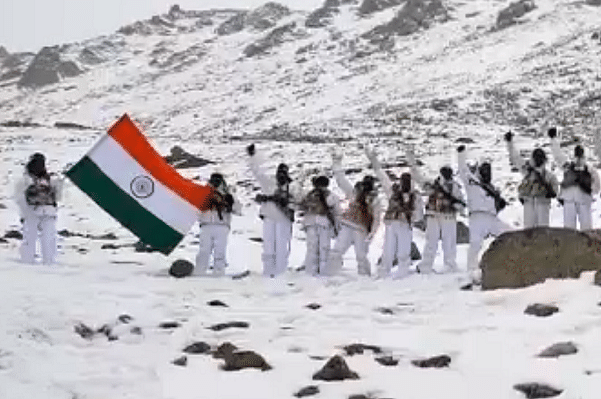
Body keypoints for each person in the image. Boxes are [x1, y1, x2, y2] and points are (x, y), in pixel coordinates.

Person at [366, 148, 424, 279]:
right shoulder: (393, 192)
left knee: (404, 251)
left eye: (407, 181)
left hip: (404, 224)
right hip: (391, 223)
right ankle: (383, 272)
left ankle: (402, 272)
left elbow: (419, 213)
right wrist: (373, 160)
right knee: (388, 250)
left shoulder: (415, 197)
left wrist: (412, 219)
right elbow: (381, 176)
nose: (404, 184)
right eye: (403, 181)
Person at [457, 145, 511, 283]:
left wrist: (500, 204)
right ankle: (470, 274)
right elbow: (463, 170)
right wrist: (462, 154)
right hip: (477, 217)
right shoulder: (472, 182)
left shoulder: (493, 189)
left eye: (489, 170)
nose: (488, 172)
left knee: (509, 233)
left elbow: (497, 207)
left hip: (492, 219)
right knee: (475, 244)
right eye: (485, 170)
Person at [247, 144, 302, 277]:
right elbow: (257, 172)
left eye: (283, 173)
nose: (280, 176)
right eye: (279, 173)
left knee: (281, 247)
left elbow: (298, 202)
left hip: (283, 218)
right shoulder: (269, 183)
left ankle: (280, 272)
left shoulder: (293, 186)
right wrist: (252, 157)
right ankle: (268, 271)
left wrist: (288, 203)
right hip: (269, 217)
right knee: (268, 246)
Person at [407, 146, 465, 274]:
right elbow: (417, 177)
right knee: (431, 242)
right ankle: (426, 266)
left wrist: (457, 207)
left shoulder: (454, 186)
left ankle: (450, 265)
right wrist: (411, 160)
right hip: (433, 215)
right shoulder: (433, 184)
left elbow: (461, 202)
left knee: (449, 242)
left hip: (448, 216)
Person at [327, 151, 382, 276]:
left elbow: (377, 218)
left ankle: (364, 277)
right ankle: (330, 274)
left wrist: (372, 234)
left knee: (361, 255)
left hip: (361, 230)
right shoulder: (354, 193)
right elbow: (341, 180)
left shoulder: (374, 200)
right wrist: (336, 163)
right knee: (337, 251)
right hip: (348, 225)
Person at [14, 153, 64, 265]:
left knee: (48, 238)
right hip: (32, 212)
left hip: (48, 212)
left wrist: (60, 184)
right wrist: (24, 213)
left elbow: (58, 196)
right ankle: (27, 261)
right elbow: (20, 197)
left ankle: (48, 261)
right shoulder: (26, 180)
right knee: (30, 238)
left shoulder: (51, 180)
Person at [548, 127, 600, 230]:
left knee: (586, 228)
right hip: (569, 199)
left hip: (584, 199)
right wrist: (553, 139)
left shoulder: (589, 169)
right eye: (577, 154)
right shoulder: (568, 167)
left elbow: (597, 183)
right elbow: (558, 155)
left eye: (580, 154)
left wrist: (590, 191)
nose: (579, 157)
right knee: (569, 229)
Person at [505, 131, 559, 228]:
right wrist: (509, 143)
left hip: (540, 205)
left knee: (541, 234)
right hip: (530, 204)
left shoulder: (548, 176)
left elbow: (555, 191)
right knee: (530, 234)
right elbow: (515, 158)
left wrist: (509, 143)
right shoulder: (528, 171)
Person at [195, 172, 242, 276]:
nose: (215, 182)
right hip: (206, 224)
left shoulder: (227, 194)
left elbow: (238, 210)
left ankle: (219, 274)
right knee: (204, 251)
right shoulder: (204, 193)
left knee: (219, 252)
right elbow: (196, 207)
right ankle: (199, 273)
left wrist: (231, 202)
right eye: (214, 179)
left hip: (222, 225)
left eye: (217, 179)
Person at [298, 175, 341, 276]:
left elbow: (301, 206)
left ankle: (311, 271)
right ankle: (323, 271)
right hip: (324, 223)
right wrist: (337, 226)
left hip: (310, 222)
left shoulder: (310, 195)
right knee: (324, 248)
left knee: (312, 247)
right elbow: (337, 211)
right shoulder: (331, 195)